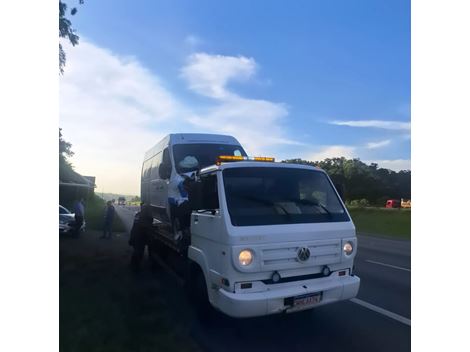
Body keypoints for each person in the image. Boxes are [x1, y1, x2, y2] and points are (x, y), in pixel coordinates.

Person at [168, 156, 198, 241]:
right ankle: (181, 233)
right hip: (181, 208)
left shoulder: (179, 178)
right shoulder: (179, 180)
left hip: (181, 207)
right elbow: (183, 196)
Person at [129, 203, 153, 272]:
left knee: (136, 251)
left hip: (135, 235)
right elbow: (147, 227)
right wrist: (149, 239)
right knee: (139, 253)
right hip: (140, 238)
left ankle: (133, 265)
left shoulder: (138, 214)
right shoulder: (147, 217)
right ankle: (135, 268)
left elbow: (135, 226)